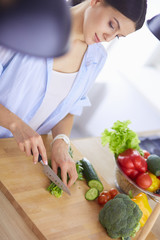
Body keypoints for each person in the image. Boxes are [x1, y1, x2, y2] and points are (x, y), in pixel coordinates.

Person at [0, 0, 147, 188]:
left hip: (19, 159)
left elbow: (70, 108)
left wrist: (61, 141)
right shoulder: (28, 21)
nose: (108, 37)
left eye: (118, 36)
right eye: (112, 24)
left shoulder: (96, 57)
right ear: (96, 1)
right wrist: (16, 125)